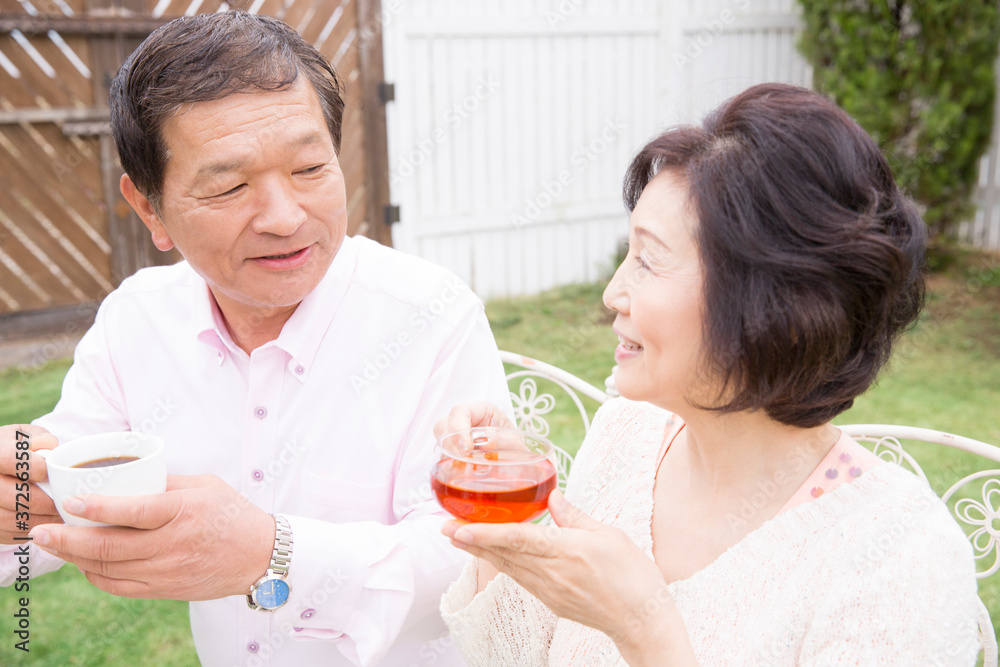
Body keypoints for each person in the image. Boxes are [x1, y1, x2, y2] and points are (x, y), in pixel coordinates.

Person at [0, 11, 511, 666]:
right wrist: (21, 496)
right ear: (150, 207)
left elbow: (473, 551)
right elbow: (62, 483)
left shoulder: (430, 315)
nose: (285, 217)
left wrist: (274, 553)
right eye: (230, 185)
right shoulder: (139, 319)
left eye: (309, 168)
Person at [433, 83, 982, 665]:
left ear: (773, 308)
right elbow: (515, 655)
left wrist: (643, 630)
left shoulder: (900, 557)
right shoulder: (628, 435)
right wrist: (506, 506)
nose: (612, 292)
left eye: (648, 260)